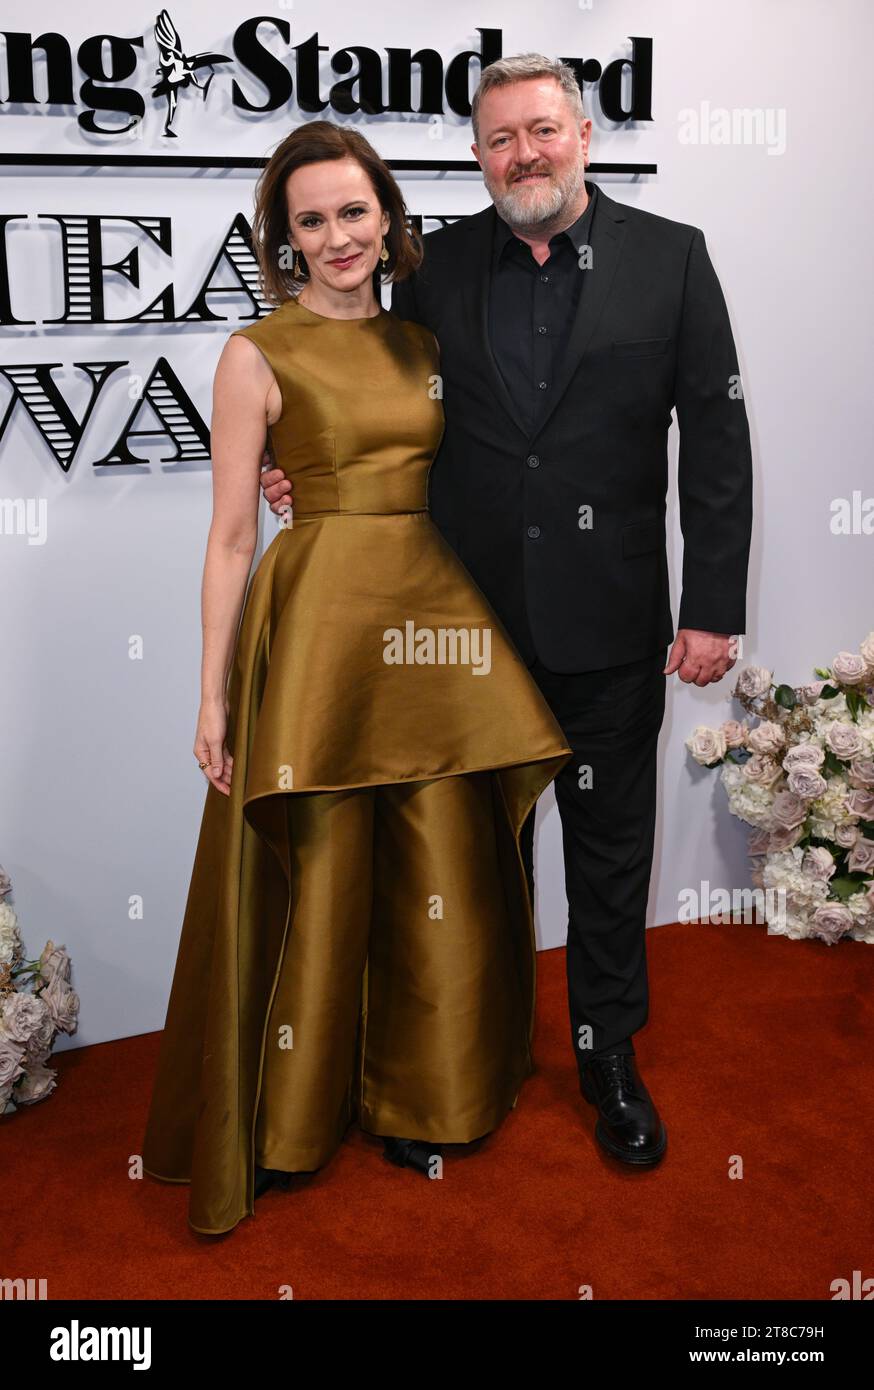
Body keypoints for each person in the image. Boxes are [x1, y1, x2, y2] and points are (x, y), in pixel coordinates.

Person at [261, 55, 754, 1168]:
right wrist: (299, 469)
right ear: (476, 154)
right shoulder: (432, 269)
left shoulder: (670, 258)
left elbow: (715, 446)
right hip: (459, 630)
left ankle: (607, 1059)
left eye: (539, 131)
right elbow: (372, 399)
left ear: (581, 133)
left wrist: (712, 606)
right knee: (464, 866)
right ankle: (459, 1066)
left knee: (610, 854)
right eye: (497, 140)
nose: (520, 155)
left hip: (612, 619)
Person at [141, 120, 571, 1236]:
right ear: (284, 239)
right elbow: (231, 535)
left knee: (437, 847)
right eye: (312, 220)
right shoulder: (255, 353)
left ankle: (421, 1096)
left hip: (427, 622)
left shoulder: (426, 341)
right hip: (322, 622)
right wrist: (210, 691)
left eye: (353, 211)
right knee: (323, 859)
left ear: (387, 216)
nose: (338, 237)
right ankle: (291, 1113)